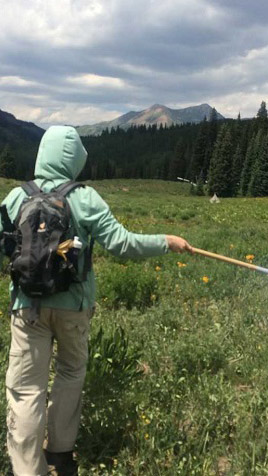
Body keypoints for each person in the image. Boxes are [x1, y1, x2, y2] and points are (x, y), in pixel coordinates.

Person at [0, 125, 193, 476]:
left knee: (26, 388)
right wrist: (166, 241)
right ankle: (60, 453)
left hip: (27, 306)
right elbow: (123, 244)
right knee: (70, 373)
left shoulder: (16, 197)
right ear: (74, 161)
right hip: (74, 307)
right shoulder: (85, 198)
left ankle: (27, 469)